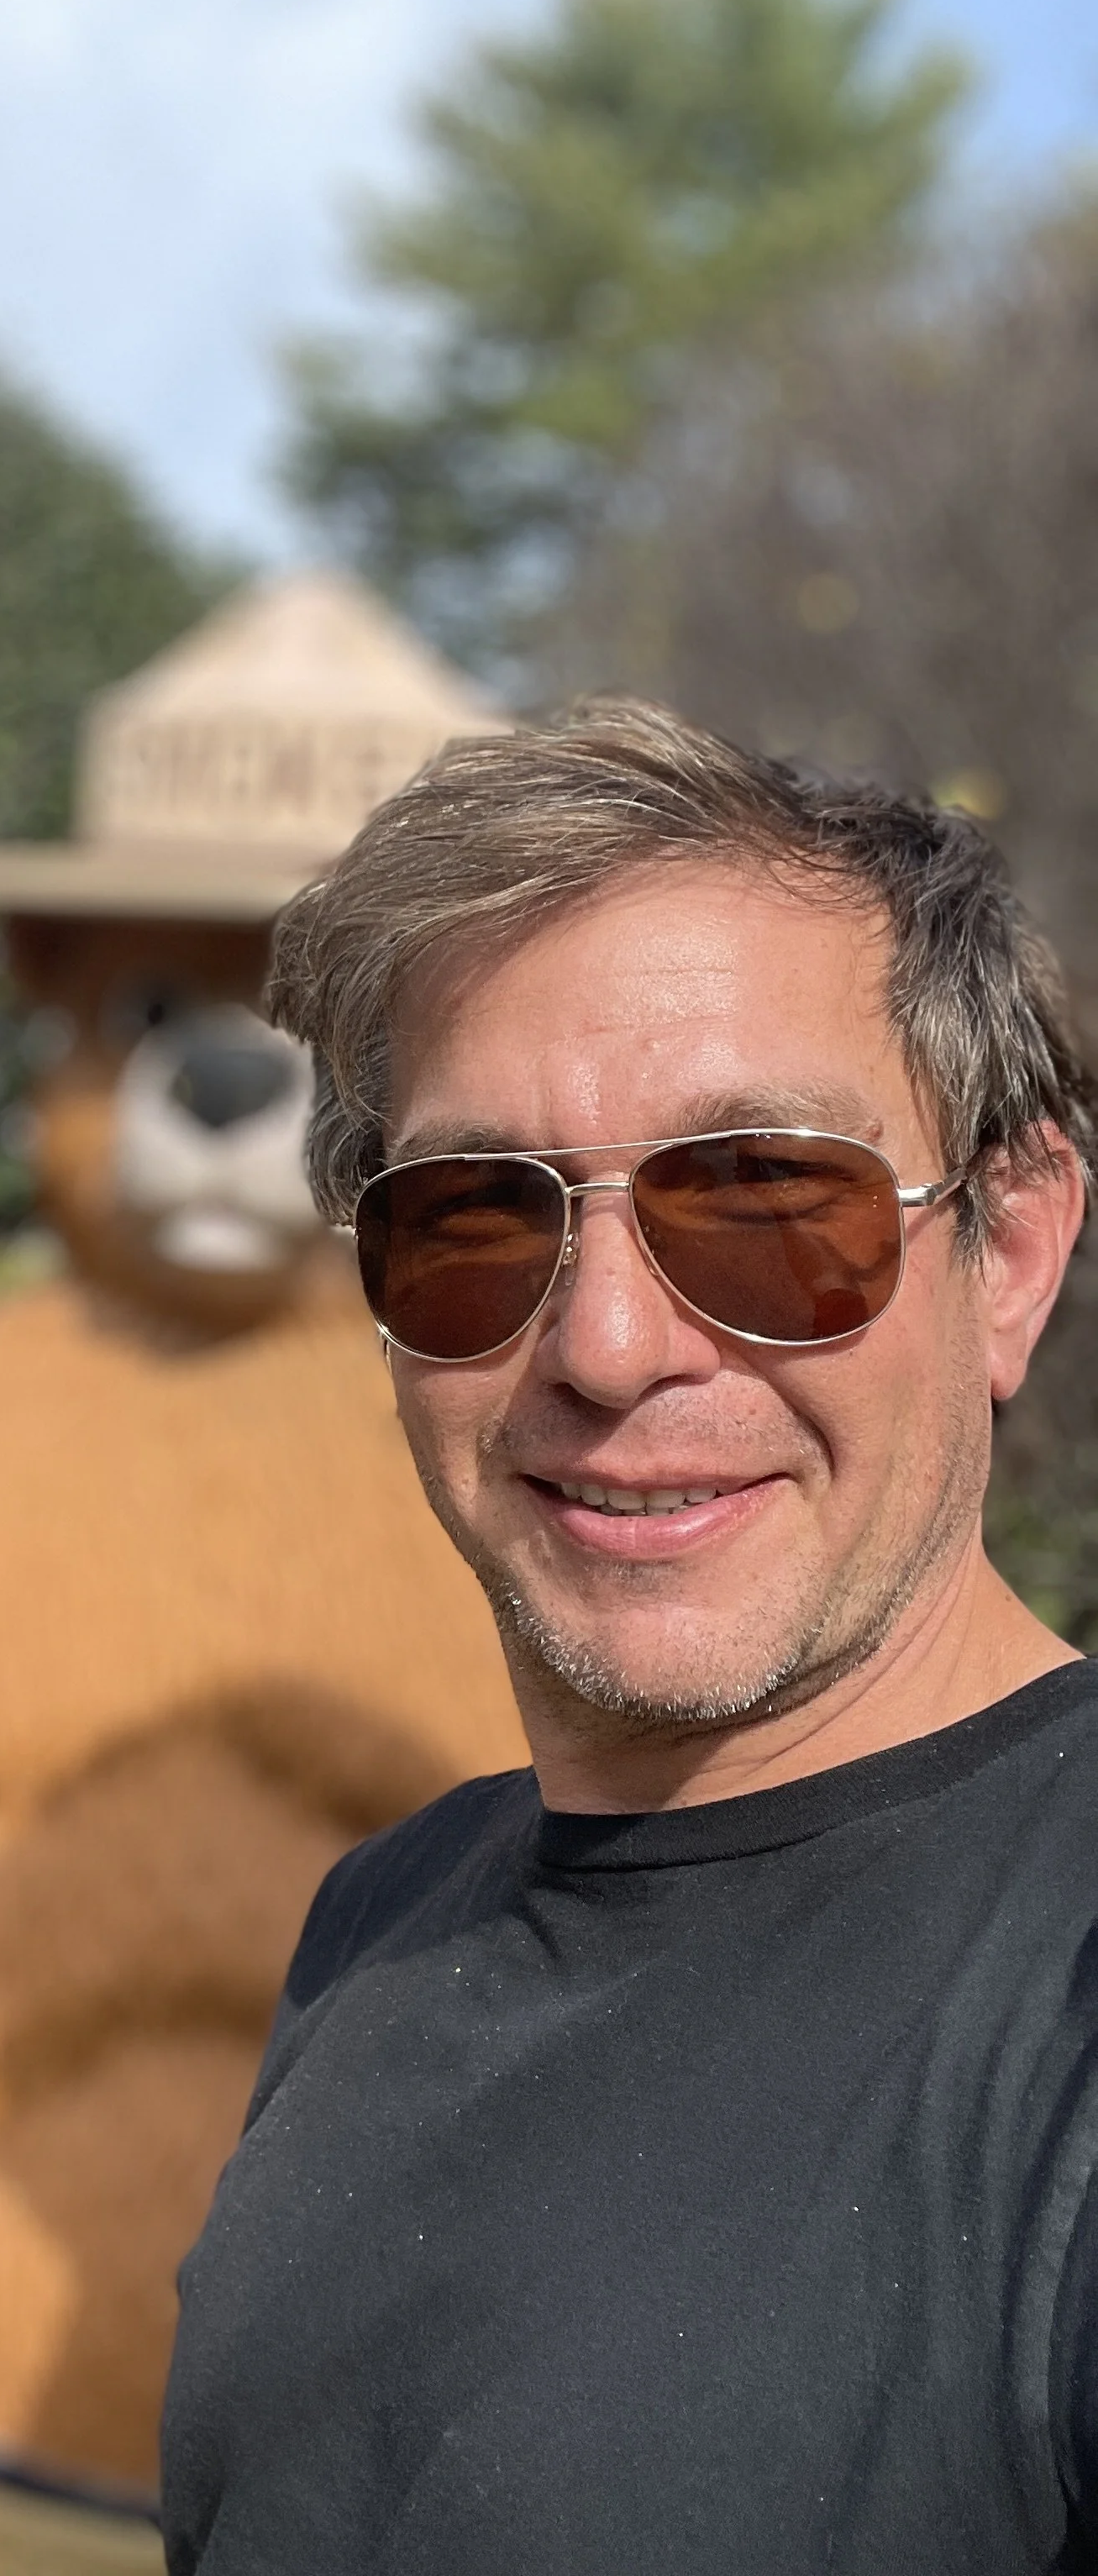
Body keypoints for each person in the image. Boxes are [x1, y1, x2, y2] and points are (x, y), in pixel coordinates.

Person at [160, 697, 1098, 2574]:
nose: (603, 1346)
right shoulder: (385, 1918)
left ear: (1007, 1250)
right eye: (472, 1220)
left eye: (765, 1201)